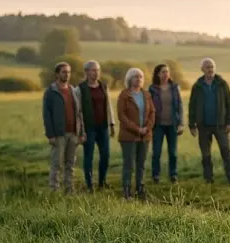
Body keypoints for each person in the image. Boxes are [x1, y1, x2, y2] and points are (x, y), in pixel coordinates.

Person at [188, 57, 230, 187]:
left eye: (211, 67)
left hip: (220, 125)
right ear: (202, 69)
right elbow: (192, 106)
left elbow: (229, 103)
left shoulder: (222, 84)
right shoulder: (197, 86)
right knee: (206, 154)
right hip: (203, 125)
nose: (210, 69)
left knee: (226, 152)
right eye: (207, 67)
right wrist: (192, 125)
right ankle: (208, 180)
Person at [41, 61, 85, 194]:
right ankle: (54, 190)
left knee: (70, 164)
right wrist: (50, 135)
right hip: (58, 134)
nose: (67, 74)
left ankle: (69, 190)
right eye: (64, 72)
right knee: (57, 164)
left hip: (73, 133)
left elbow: (79, 112)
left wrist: (81, 132)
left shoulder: (74, 90)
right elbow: (46, 115)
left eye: (69, 72)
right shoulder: (51, 92)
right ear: (57, 74)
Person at [117, 67, 155, 200]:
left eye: (140, 77)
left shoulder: (146, 94)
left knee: (141, 164)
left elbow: (152, 113)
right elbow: (122, 116)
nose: (138, 79)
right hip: (129, 136)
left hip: (145, 136)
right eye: (135, 77)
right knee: (129, 164)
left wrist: (147, 128)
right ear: (129, 79)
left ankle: (140, 189)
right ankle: (126, 192)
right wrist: (137, 129)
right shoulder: (124, 95)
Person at [77, 60, 115, 191]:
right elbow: (79, 110)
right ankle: (89, 184)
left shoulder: (103, 86)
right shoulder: (80, 88)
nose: (96, 73)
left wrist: (112, 124)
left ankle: (102, 182)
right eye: (93, 70)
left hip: (103, 126)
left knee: (105, 155)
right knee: (89, 155)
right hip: (89, 128)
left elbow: (109, 105)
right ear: (86, 72)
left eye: (98, 70)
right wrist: (81, 130)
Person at [148, 63, 184, 184]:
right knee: (156, 152)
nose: (165, 74)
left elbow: (180, 106)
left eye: (167, 72)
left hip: (172, 124)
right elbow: (149, 107)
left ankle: (173, 175)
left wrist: (181, 123)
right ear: (158, 74)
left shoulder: (174, 88)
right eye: (163, 72)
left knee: (173, 153)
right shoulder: (152, 89)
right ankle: (155, 175)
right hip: (157, 125)